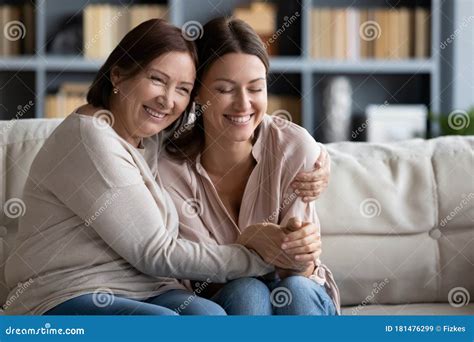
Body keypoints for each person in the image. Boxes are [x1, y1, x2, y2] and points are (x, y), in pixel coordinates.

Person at [4, 19, 327, 316]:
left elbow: (249, 123)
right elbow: (154, 252)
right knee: (181, 319)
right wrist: (257, 251)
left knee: (211, 315)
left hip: (145, 290)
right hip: (69, 291)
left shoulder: (151, 138)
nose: (168, 100)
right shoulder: (90, 137)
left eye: (183, 89)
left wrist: (319, 159)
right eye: (157, 80)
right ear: (118, 75)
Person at [161, 17, 340, 315]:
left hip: (301, 292)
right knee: (246, 291)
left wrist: (300, 249)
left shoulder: (293, 148)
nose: (243, 105)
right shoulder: (170, 169)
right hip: (226, 298)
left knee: (294, 290)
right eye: (224, 89)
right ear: (196, 94)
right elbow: (203, 280)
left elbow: (300, 270)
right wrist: (249, 242)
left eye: (255, 89)